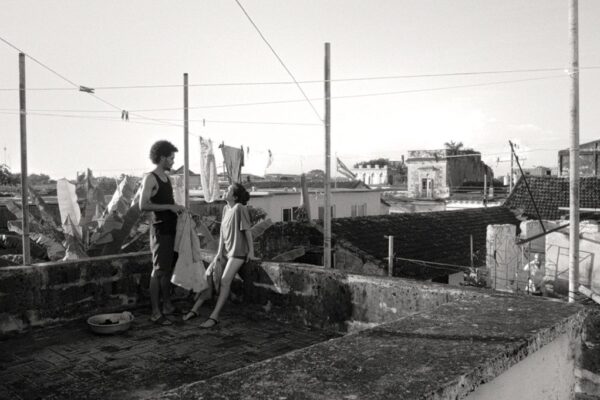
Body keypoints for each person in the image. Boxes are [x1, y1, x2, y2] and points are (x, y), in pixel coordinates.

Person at [183, 183, 255, 328]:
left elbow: (247, 231)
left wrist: (251, 252)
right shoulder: (226, 209)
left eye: (228, 190)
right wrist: (218, 254)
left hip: (238, 253)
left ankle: (214, 316)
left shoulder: (239, 208)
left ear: (235, 197)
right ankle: (195, 309)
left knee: (224, 280)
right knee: (209, 275)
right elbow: (222, 233)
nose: (225, 191)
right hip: (226, 252)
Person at [140, 140, 186, 325]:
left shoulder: (167, 178)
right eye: (171, 158)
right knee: (158, 271)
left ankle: (167, 306)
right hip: (160, 230)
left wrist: (178, 208)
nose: (173, 161)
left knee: (166, 271)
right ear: (162, 158)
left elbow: (169, 203)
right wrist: (169, 206)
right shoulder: (151, 178)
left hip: (171, 229)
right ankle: (155, 312)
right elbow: (143, 205)